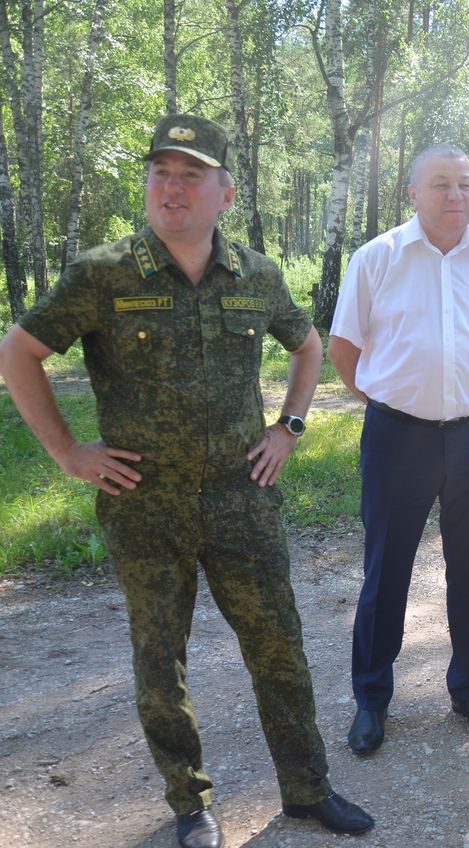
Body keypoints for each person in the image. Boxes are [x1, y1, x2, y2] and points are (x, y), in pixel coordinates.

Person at [0, 114, 372, 848]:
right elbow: (19, 354)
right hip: (145, 503)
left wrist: (288, 430)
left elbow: (308, 348)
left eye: (190, 175)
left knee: (279, 647)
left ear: (224, 194)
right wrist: (70, 453)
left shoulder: (257, 275)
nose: (172, 188)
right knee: (159, 659)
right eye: (160, 174)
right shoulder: (101, 274)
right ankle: (189, 803)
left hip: (243, 497)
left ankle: (306, 788)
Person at [329, 144, 469, 752]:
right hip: (398, 436)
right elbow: (344, 350)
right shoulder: (378, 259)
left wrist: (464, 395)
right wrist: (396, 403)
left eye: (466, 185)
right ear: (412, 193)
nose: (455, 197)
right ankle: (371, 699)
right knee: (385, 571)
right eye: (441, 184)